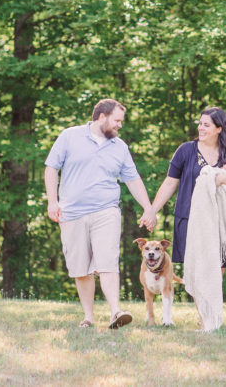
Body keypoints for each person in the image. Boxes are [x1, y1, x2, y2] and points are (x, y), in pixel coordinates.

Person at [45, 98, 157, 329]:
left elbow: (133, 179)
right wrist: (52, 202)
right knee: (80, 267)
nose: (120, 125)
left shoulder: (120, 147)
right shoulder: (70, 136)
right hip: (72, 212)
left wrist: (148, 207)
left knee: (108, 260)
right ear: (102, 117)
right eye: (117, 120)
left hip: (106, 211)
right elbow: (51, 168)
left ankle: (115, 311)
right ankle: (88, 317)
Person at [144, 107, 226, 265]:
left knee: (216, 272)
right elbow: (169, 183)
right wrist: (152, 211)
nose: (200, 128)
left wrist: (221, 178)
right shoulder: (186, 150)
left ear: (219, 129)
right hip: (189, 219)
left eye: (206, 125)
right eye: (200, 123)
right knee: (193, 273)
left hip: (218, 222)